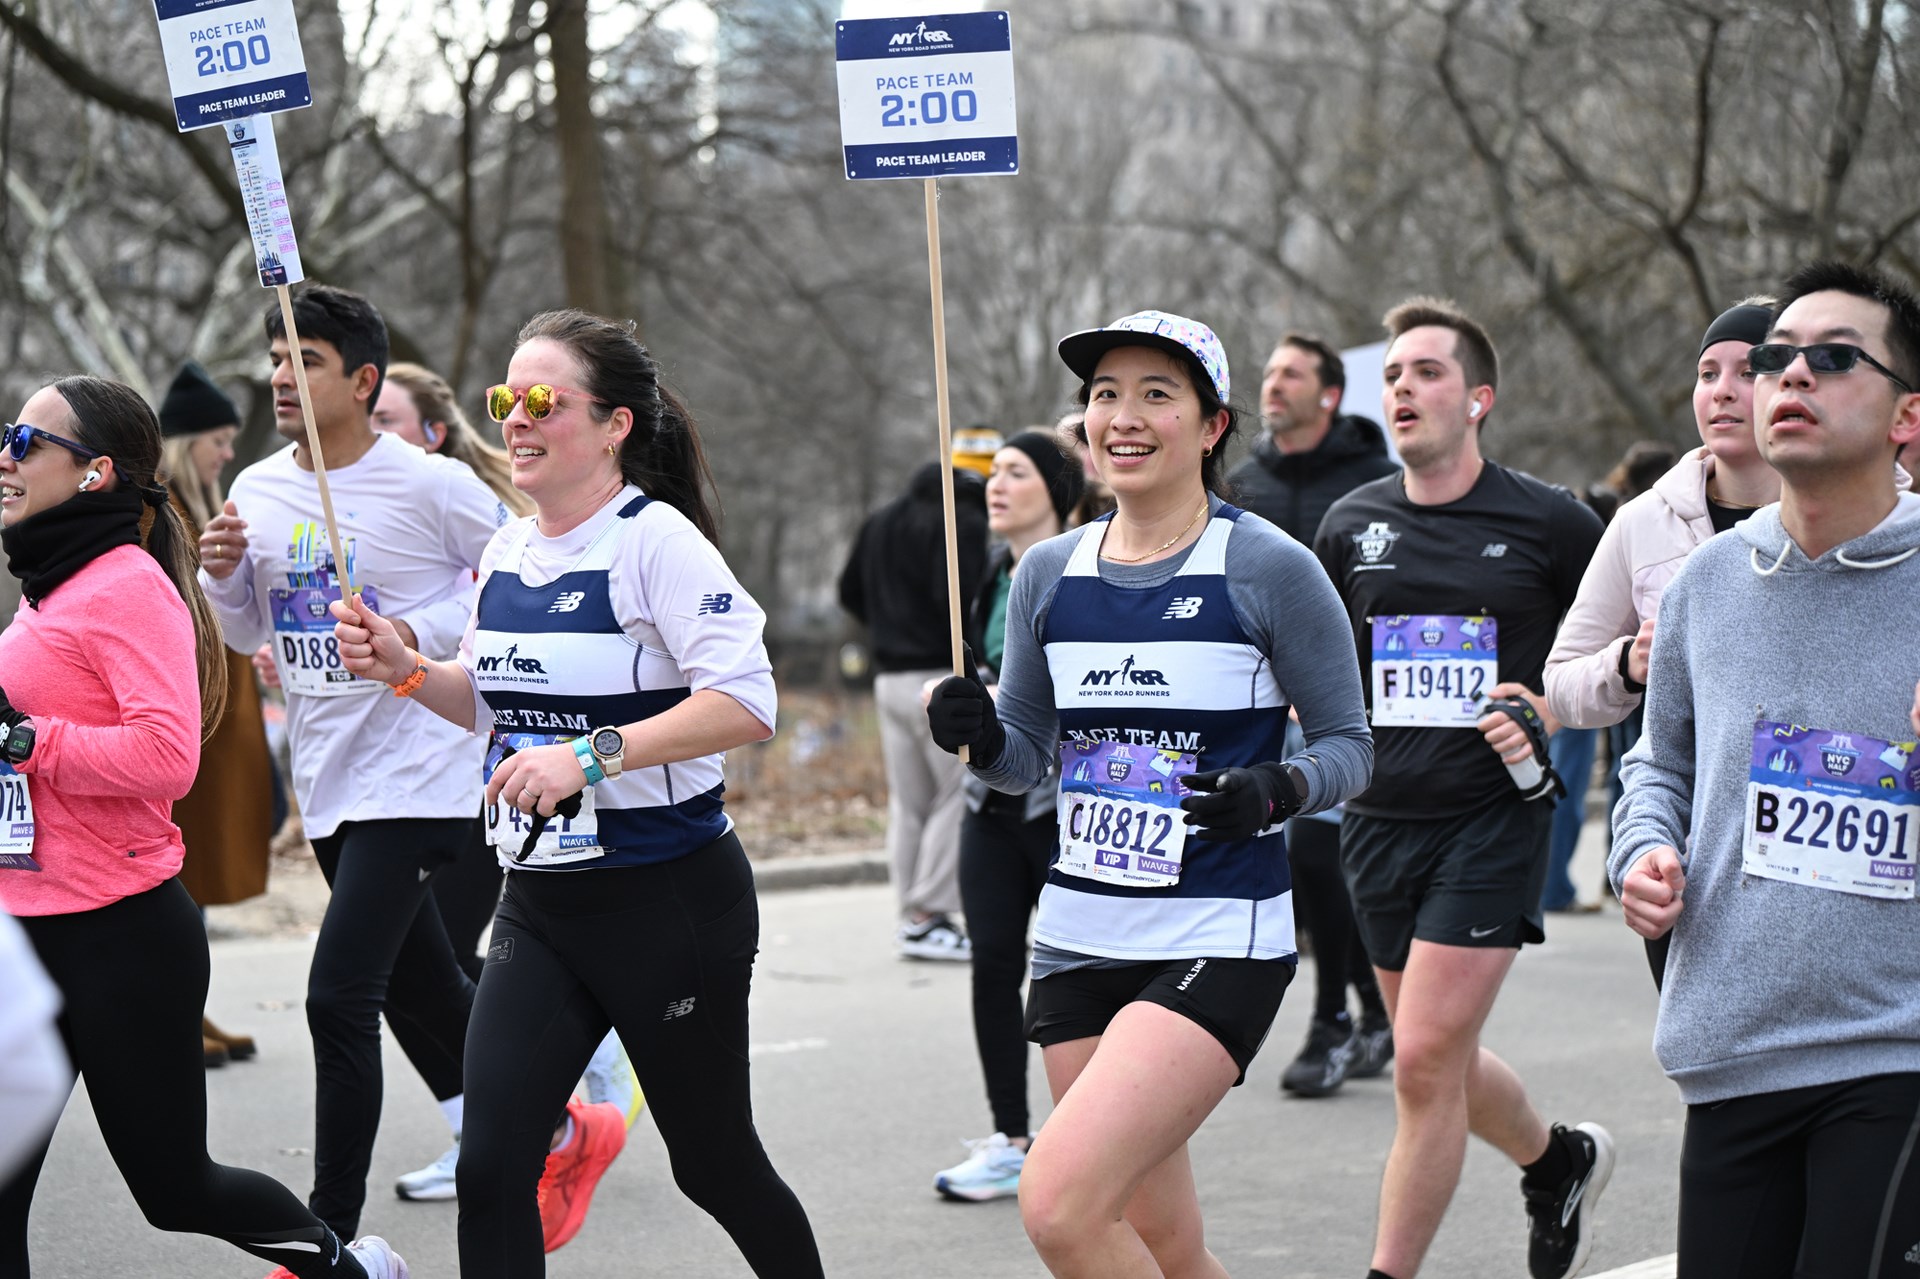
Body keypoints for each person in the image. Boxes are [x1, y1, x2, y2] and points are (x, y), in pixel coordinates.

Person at [330, 308, 824, 1278]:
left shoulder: (656, 542)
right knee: (494, 1164)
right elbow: (488, 703)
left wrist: (590, 757)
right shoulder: (511, 552)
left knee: (715, 1165)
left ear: (614, 426)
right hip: (543, 902)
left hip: (668, 898)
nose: (516, 418)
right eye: (505, 397)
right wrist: (404, 667)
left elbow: (747, 701)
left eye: (543, 399)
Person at [927, 310, 1373, 1277]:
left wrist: (1278, 785)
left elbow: (1351, 746)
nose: (1123, 418)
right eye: (1104, 396)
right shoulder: (1048, 571)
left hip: (1216, 932)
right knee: (1166, 1242)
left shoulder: (1267, 566)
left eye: (1156, 395)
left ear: (1213, 425)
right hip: (1079, 933)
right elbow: (1026, 755)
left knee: (1058, 1207)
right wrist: (975, 734)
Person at [197, 285, 613, 1246]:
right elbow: (249, 628)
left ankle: (327, 1245)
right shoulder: (257, 491)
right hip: (332, 778)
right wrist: (221, 573)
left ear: (364, 379)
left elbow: (521, 575)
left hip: (423, 766)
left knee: (340, 994)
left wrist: (411, 637)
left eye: (305, 360)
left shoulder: (428, 484)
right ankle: (560, 1121)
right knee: (427, 990)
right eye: (274, 358)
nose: (281, 377)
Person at [0, 375, 406, 1278]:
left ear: (97, 472)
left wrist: (26, 739)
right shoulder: (50, 584)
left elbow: (165, 759)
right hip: (25, 927)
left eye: (25, 441)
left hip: (118, 936)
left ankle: (351, 1268)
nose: (4, 455)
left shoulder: (125, 586)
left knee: (175, 1188)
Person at [1614, 261, 1920, 1278]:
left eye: (1832, 359)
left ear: (1906, 413)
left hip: (1895, 1047)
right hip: (1734, 1042)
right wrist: (1646, 848)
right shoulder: (1706, 581)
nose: (1789, 376)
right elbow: (1658, 760)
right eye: (1777, 358)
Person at [1314, 297, 1611, 1279]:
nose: (1402, 387)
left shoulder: (1554, 522)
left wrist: (1551, 713)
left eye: (1426, 372)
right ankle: (1557, 1157)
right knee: (1430, 1052)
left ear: (1478, 398)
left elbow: (1609, 651)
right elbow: (1328, 675)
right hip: (1378, 824)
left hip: (1494, 816)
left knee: (1424, 1062)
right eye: (1393, 373)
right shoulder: (1350, 525)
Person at [1545, 304, 1780, 949]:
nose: (1723, 390)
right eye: (1707, 373)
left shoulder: (1865, 518)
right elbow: (1561, 682)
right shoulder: (1643, 521)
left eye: (1751, 369)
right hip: (1686, 844)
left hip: (1814, 826)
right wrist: (1627, 663)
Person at [1228, 332, 1397, 1097]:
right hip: (1256, 701)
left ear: (1329, 393)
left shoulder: (1374, 479)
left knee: (1331, 865)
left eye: (1290, 374)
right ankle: (1364, 1012)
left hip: (1341, 704)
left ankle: (1337, 1018)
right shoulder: (1242, 480)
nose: (1273, 384)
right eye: (1267, 373)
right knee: (1313, 869)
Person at [932, 430, 1083, 1202]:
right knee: (993, 962)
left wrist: (1006, 705)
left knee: (1074, 976)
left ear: (1058, 492)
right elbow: (979, 678)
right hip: (990, 802)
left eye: (1016, 474)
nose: (996, 486)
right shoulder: (987, 574)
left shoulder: (1084, 573)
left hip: (1063, 807)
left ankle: (1088, 1137)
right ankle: (1012, 1137)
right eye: (993, 474)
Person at [157, 360, 278, 1068]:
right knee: (179, 872)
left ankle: (189, 1008)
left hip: (220, 710)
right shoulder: (168, 509)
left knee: (194, 873)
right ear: (187, 441)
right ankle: (175, 1014)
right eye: (220, 439)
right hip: (190, 711)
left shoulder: (202, 505)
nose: (228, 452)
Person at [839, 452, 989, 959]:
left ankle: (911, 911)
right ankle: (932, 912)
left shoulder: (881, 519)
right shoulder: (962, 520)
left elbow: (847, 590)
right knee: (956, 791)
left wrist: (885, 624)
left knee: (910, 802)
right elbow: (964, 596)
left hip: (888, 678)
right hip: (938, 676)